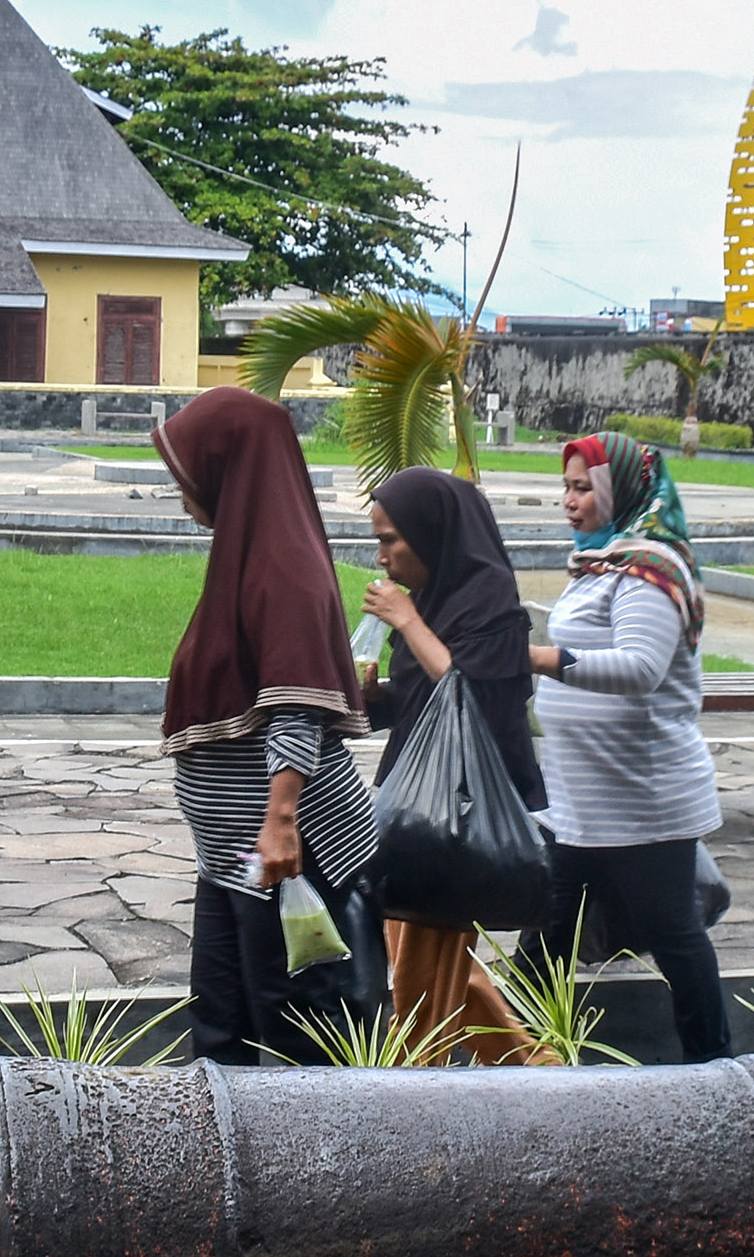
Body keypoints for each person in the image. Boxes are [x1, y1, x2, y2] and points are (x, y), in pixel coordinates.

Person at [151, 386, 375, 1062]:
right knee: (221, 1030)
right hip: (233, 857)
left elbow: (296, 702)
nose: (180, 486)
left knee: (293, 1037)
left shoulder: (286, 568)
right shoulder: (246, 557)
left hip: (283, 851)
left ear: (226, 466)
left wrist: (281, 819)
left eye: (186, 469)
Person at [517, 431, 731, 1060]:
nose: (570, 500)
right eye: (567, 486)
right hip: (577, 801)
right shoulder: (598, 563)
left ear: (621, 490)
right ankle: (520, 1066)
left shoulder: (650, 569)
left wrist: (537, 658)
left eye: (584, 487)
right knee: (546, 938)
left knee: (674, 937)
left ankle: (716, 1067)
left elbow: (640, 667)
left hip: (644, 802)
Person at [357, 464, 544, 1058]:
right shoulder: (434, 601)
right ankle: (535, 1067)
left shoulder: (491, 608)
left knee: (424, 967)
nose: (382, 556)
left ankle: (414, 1086)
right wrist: (374, 700)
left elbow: (472, 695)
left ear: (432, 532)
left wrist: (408, 623)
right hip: (418, 807)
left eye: (390, 539)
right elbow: (424, 701)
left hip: (459, 815)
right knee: (434, 961)